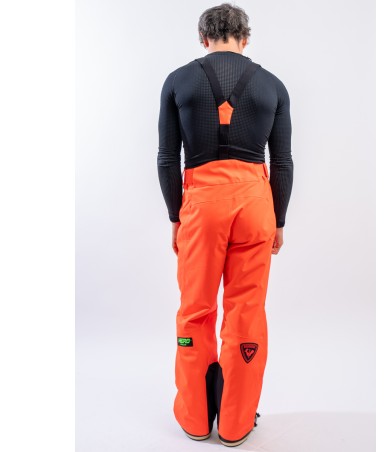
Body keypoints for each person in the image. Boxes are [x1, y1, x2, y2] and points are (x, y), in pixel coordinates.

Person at [157, 2, 294, 447]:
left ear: (204, 38)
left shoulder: (178, 81)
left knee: (195, 309)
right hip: (256, 205)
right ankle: (236, 424)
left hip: (201, 205)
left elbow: (167, 158)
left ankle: (196, 420)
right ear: (246, 39)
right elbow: (283, 162)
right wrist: (278, 220)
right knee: (246, 311)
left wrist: (176, 216)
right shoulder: (273, 86)